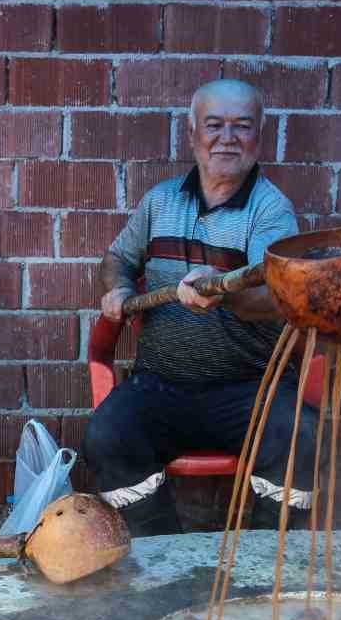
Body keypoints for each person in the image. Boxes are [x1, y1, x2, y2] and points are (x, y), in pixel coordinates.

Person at [84, 79, 318, 537]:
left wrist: (224, 295)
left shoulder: (271, 211)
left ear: (259, 136)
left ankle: (266, 568)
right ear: (192, 133)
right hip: (162, 385)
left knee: (301, 439)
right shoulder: (159, 201)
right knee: (107, 436)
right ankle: (166, 557)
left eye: (241, 126)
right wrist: (116, 287)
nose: (226, 138)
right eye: (214, 125)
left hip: (252, 390)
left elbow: (274, 295)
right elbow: (118, 258)